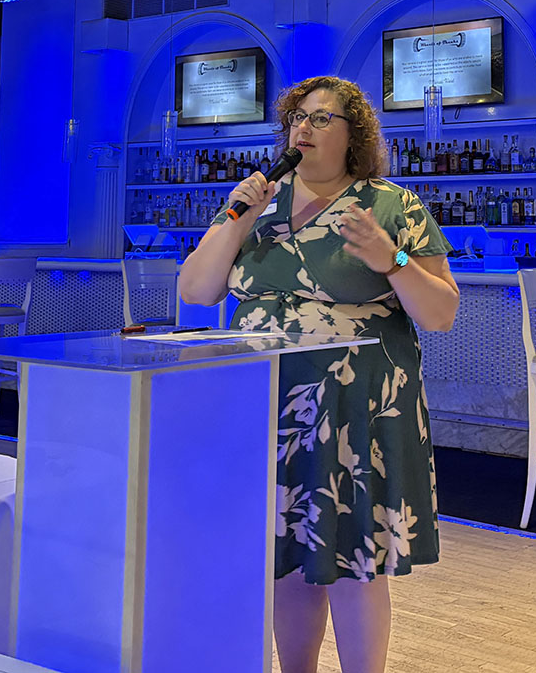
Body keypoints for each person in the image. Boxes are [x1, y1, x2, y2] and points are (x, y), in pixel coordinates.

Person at [179, 76, 460, 673]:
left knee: (353, 561)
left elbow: (440, 313)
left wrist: (394, 259)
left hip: (359, 408)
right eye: (296, 119)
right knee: (289, 555)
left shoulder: (392, 205)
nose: (302, 130)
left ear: (354, 136)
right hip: (268, 405)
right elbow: (196, 289)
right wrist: (235, 219)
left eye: (320, 119)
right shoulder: (258, 208)